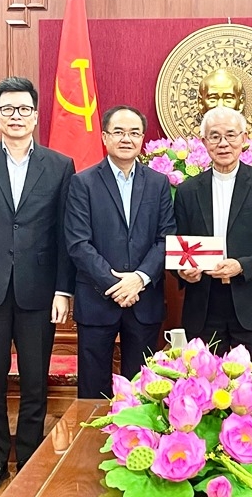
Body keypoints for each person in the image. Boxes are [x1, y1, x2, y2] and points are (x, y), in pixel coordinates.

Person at [0, 76, 76, 491]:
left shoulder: (60, 165)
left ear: (36, 115)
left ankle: (27, 458)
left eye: (24, 109)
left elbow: (64, 233)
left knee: (34, 380)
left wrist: (64, 290)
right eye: (8, 109)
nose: (16, 116)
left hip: (39, 289)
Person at [64, 105, 176, 398]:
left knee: (143, 391)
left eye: (134, 133)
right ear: (104, 136)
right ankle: (89, 444)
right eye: (119, 132)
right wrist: (116, 285)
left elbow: (166, 238)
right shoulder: (82, 182)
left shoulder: (158, 183)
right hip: (97, 300)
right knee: (92, 391)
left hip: (144, 301)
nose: (127, 139)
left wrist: (138, 279)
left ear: (142, 139)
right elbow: (78, 243)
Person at [174, 106, 252, 378]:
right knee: (204, 391)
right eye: (214, 136)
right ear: (203, 142)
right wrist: (183, 271)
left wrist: (241, 265)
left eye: (230, 135)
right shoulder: (188, 191)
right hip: (204, 306)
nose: (223, 143)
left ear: (244, 138)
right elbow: (178, 246)